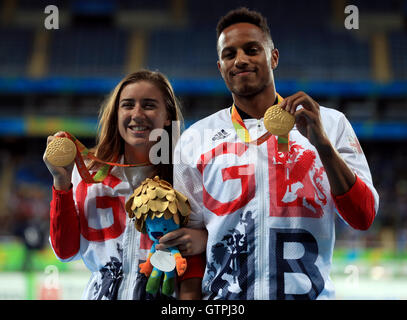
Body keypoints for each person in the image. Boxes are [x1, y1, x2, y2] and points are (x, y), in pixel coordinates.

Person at [172, 7, 379, 299]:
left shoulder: (330, 124)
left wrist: (322, 145)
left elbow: (364, 216)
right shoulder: (195, 139)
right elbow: (190, 244)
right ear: (220, 67)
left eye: (252, 49)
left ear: (274, 57)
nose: (240, 59)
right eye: (230, 54)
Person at [43, 70, 205, 300]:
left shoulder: (186, 175)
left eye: (149, 105)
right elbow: (65, 252)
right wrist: (61, 183)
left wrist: (203, 240)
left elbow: (202, 252)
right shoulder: (88, 174)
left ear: (168, 116)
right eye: (127, 105)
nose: (137, 114)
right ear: (116, 113)